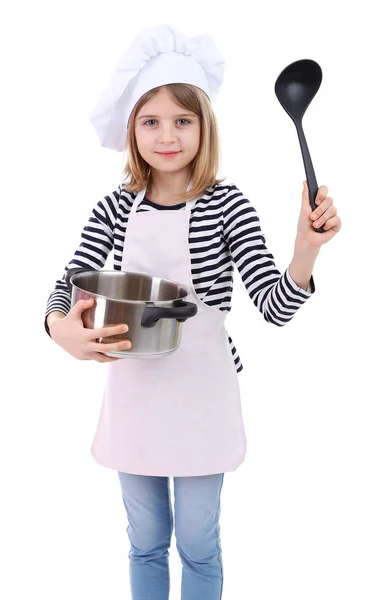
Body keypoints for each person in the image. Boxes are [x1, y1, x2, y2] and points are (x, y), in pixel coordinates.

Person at [44, 23, 341, 600]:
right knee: (146, 541)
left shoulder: (228, 205)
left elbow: (275, 308)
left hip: (204, 394)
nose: (167, 136)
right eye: (151, 121)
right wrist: (60, 327)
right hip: (134, 396)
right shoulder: (113, 208)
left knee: (199, 546)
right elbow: (69, 282)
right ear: (133, 129)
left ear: (205, 127)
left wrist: (304, 249)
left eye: (183, 120)